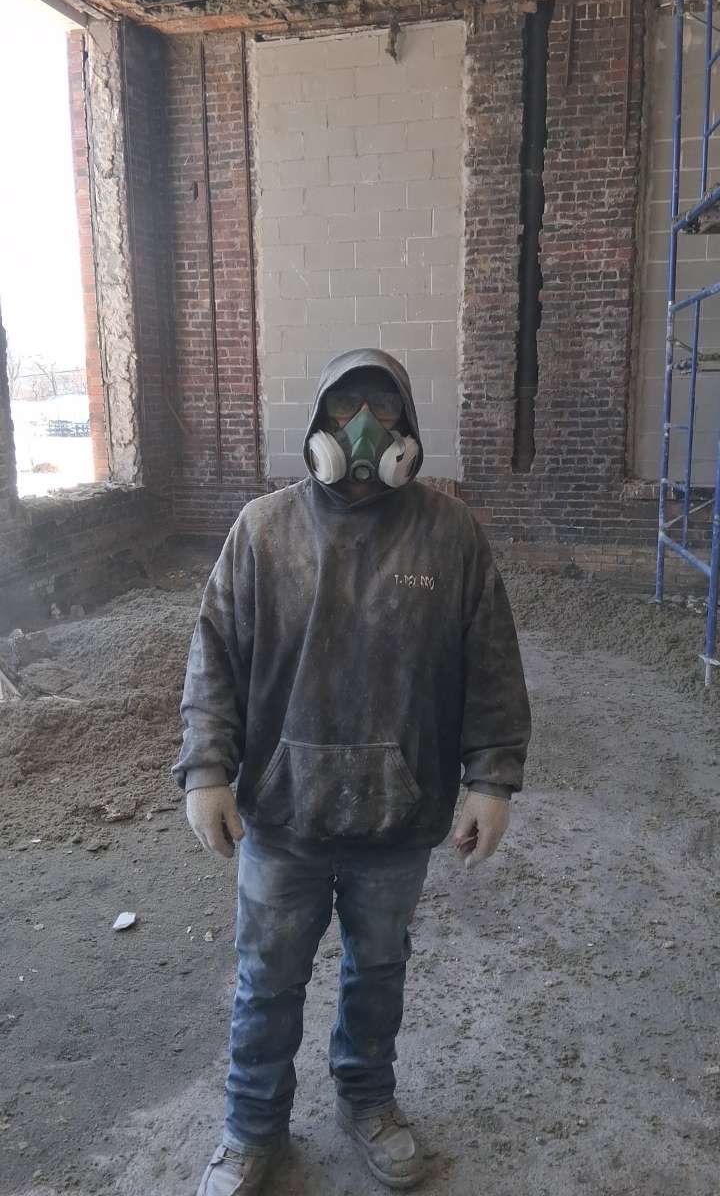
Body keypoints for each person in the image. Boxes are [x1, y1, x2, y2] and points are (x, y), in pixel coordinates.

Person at [172, 348, 531, 1196]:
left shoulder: (450, 534)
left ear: (407, 430)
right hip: (284, 817)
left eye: (381, 408)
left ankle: (367, 1102)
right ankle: (250, 1129)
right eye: (343, 411)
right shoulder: (263, 531)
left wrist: (491, 779)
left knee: (378, 974)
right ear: (318, 428)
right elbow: (214, 656)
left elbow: (492, 664)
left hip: (396, 821)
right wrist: (205, 771)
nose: (362, 428)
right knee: (267, 982)